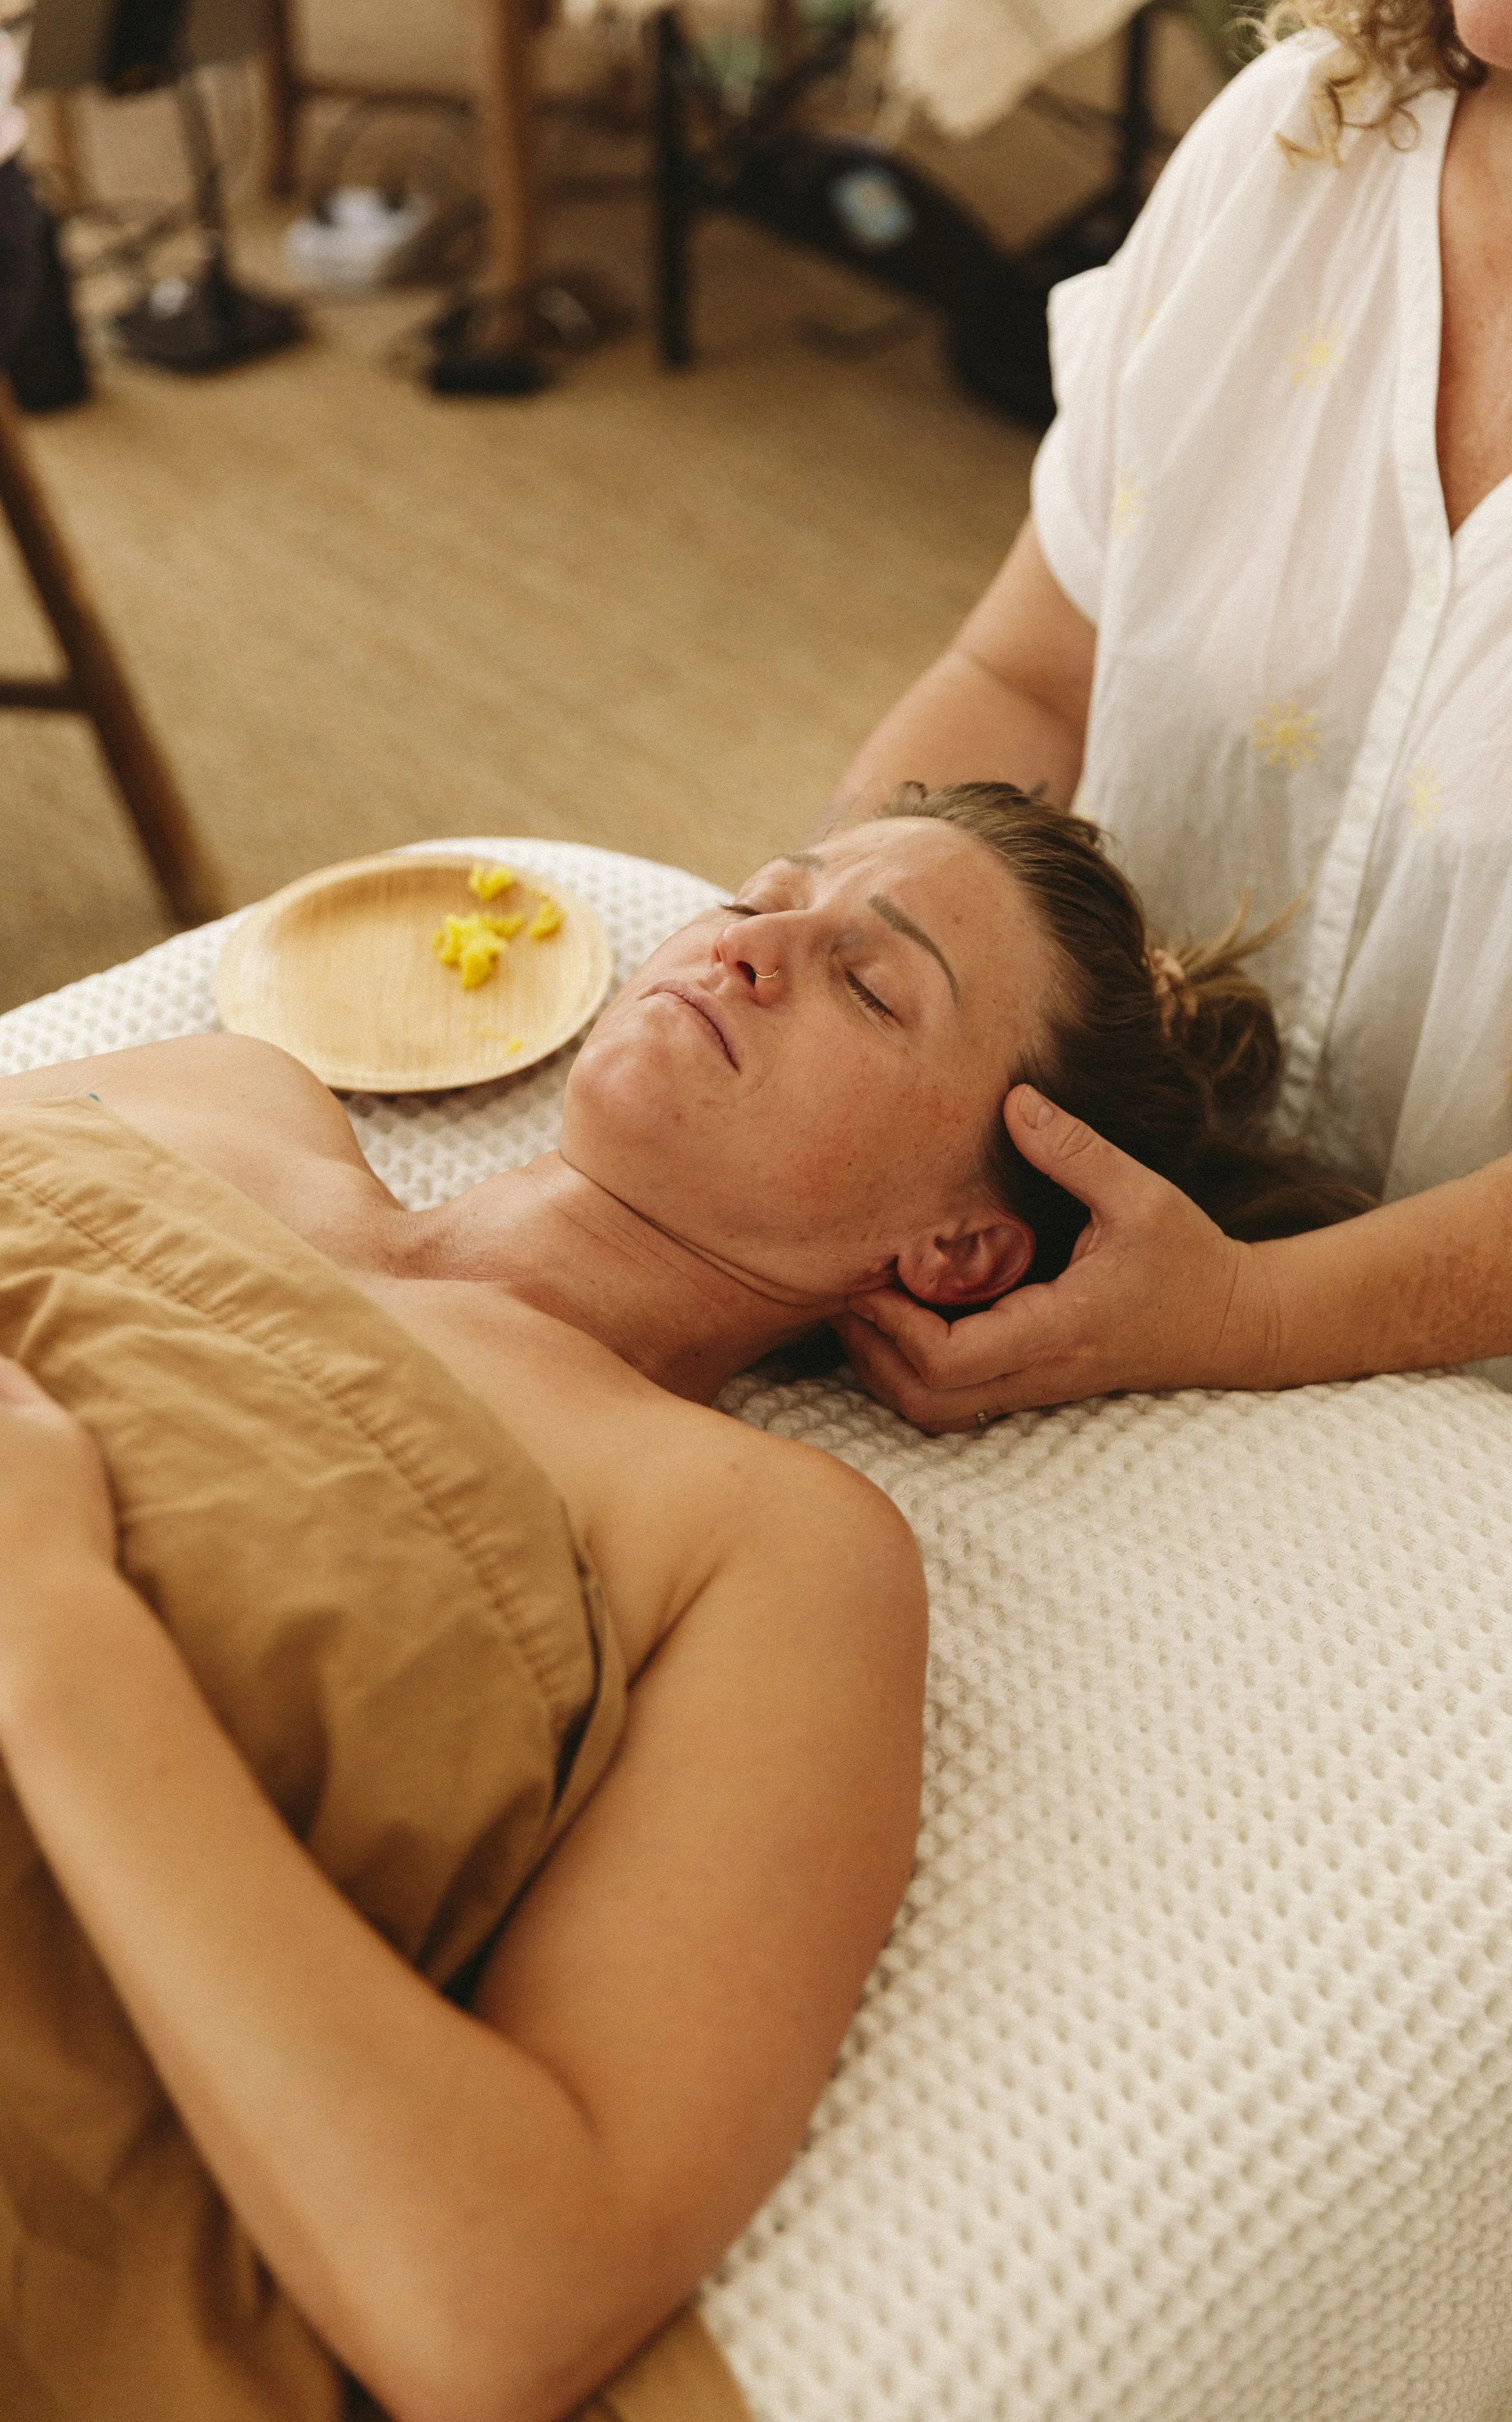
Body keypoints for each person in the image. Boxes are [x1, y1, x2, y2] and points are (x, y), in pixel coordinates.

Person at [0, 790, 1356, 2421]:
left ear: (952, 1250)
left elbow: (502, 2297)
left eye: (873, 985)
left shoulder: (765, 1548)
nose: (751, 946)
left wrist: (59, 1637)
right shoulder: (222, 1092)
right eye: (758, 895)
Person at [831, 0, 1512, 1432]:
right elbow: (1029, 680)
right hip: (1068, 1302)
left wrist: (1248, 1317)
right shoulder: (1294, 140)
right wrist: (824, 965)